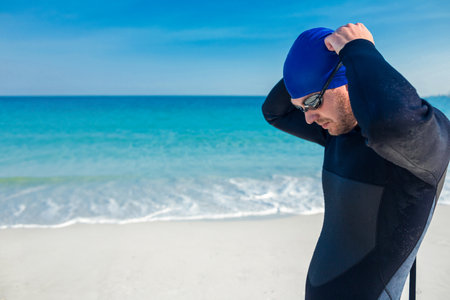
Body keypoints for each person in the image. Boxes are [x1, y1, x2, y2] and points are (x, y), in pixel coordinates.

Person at [262, 23, 450, 299]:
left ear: (348, 77)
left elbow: (393, 124)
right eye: (301, 107)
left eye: (313, 102)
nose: (308, 118)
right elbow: (274, 112)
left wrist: (357, 48)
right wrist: (316, 55)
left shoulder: (424, 140)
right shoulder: (339, 132)